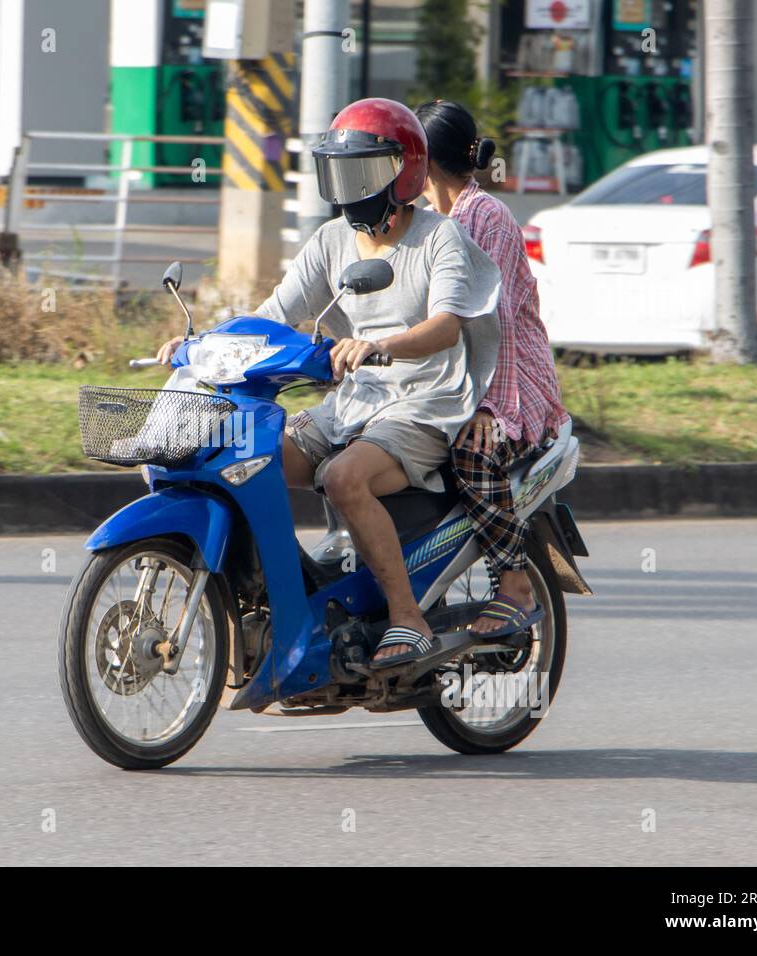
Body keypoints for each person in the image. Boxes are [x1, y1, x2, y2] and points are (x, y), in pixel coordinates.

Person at [159, 98, 502, 669]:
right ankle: (290, 597)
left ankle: (407, 620)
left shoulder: (439, 238)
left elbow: (446, 328)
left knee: (343, 478)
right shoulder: (331, 241)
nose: (349, 189)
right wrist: (200, 345)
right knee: (246, 459)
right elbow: (275, 314)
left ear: (405, 171)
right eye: (340, 173)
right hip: (353, 402)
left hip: (425, 402)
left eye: (363, 171)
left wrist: (379, 346)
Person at [406, 98, 570, 642]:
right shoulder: (427, 221)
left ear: (422, 160)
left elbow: (489, 324)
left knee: (473, 452)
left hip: (512, 381)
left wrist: (485, 409)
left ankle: (515, 583)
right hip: (450, 379)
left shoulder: (485, 216)